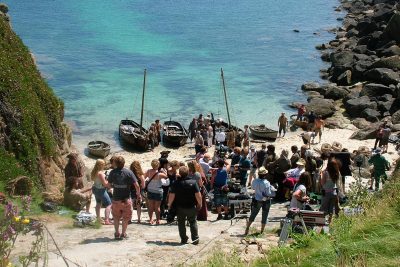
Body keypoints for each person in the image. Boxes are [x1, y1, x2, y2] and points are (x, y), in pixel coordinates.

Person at [107, 156, 141, 239]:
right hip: (126, 199)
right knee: (126, 218)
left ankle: (116, 233)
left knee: (116, 217)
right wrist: (138, 194)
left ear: (115, 163)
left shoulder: (112, 172)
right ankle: (123, 233)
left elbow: (108, 185)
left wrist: (114, 186)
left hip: (116, 199)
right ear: (124, 163)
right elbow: (137, 185)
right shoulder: (129, 172)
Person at [168, 166, 202, 245]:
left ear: (179, 173)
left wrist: (169, 205)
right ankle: (195, 239)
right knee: (193, 222)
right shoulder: (193, 182)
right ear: (188, 172)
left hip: (180, 207)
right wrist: (200, 204)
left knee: (181, 223)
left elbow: (171, 195)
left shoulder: (176, 183)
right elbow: (198, 195)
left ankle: (183, 239)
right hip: (191, 206)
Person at [244, 167, 276, 235]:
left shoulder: (255, 181)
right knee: (265, 214)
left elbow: (252, 188)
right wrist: (273, 189)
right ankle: (262, 231)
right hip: (266, 200)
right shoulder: (267, 183)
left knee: (253, 214)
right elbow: (268, 193)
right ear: (265, 175)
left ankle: (247, 228)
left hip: (257, 199)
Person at [144, 159, 169, 225]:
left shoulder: (148, 171)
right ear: (158, 165)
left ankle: (150, 219)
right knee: (157, 207)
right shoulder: (160, 174)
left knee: (151, 206)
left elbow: (144, 178)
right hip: (158, 191)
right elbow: (167, 178)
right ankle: (158, 220)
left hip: (150, 190)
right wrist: (165, 172)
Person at [91, 159, 112, 225]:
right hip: (101, 190)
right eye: (103, 164)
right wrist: (109, 182)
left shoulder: (94, 172)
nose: (104, 165)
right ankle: (106, 220)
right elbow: (105, 184)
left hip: (95, 188)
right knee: (109, 204)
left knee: (98, 203)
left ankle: (98, 217)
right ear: (101, 165)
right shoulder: (100, 173)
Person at [320, 159, 340, 223]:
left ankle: (322, 221)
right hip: (334, 192)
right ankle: (330, 221)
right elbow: (337, 183)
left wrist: (321, 175)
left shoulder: (326, 173)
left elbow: (322, 183)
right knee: (331, 208)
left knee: (324, 207)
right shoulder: (337, 173)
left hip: (326, 192)